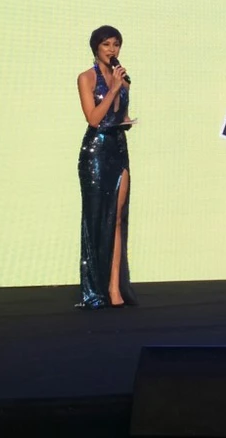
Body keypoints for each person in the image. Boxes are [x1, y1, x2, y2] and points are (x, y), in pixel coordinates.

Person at [75, 25, 138, 309]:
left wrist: (126, 120)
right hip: (96, 152)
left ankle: (114, 287)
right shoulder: (86, 78)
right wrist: (112, 89)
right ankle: (95, 288)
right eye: (106, 45)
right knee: (97, 218)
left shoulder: (122, 79)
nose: (112, 50)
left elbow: (118, 115)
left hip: (118, 148)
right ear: (96, 48)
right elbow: (93, 118)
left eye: (116, 44)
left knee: (117, 219)